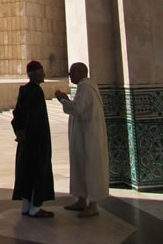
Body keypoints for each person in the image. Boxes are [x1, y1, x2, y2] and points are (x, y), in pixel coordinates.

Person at [55, 62, 109, 218]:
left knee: (90, 167)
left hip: (89, 137)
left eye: (72, 72)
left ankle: (93, 205)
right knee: (81, 165)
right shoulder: (86, 86)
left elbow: (77, 109)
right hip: (84, 135)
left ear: (80, 73)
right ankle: (81, 199)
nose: (70, 75)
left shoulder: (85, 88)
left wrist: (63, 100)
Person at [12, 60, 54, 218]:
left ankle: (26, 205)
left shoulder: (24, 90)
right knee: (38, 171)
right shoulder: (36, 92)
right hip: (36, 141)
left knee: (26, 171)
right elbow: (34, 118)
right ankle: (35, 207)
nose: (44, 75)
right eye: (42, 72)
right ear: (36, 74)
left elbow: (16, 114)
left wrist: (19, 131)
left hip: (25, 141)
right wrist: (29, 134)